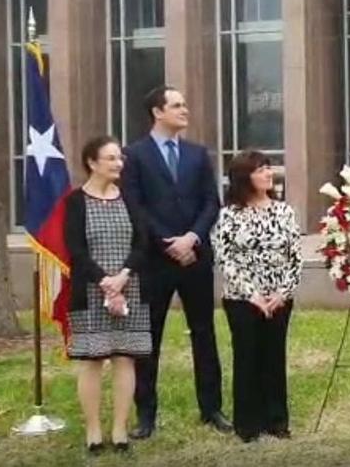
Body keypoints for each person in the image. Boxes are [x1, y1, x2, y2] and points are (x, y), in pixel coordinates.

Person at [122, 85, 230, 439]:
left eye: (185, 104)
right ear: (157, 111)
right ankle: (147, 415)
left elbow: (210, 203)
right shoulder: (134, 155)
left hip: (195, 256)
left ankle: (211, 408)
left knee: (204, 332)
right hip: (155, 260)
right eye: (177, 105)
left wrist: (191, 238)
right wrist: (166, 242)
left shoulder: (198, 154)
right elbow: (134, 206)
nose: (185, 110)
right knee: (149, 337)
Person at [64, 136, 151, 453]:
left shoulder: (129, 198)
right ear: (92, 162)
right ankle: (93, 430)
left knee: (124, 358)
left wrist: (123, 276)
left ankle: (119, 430)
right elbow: (76, 250)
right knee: (93, 359)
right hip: (90, 291)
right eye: (111, 158)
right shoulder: (75, 202)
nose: (119, 164)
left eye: (120, 158)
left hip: (131, 287)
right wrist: (105, 282)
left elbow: (142, 243)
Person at [211, 150, 302, 443]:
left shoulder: (284, 211)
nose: (268, 173)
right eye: (260, 169)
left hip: (279, 298)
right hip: (242, 299)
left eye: (268, 168)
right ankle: (248, 424)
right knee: (247, 356)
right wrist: (253, 295)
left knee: (274, 356)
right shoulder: (229, 215)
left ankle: (277, 420)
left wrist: (282, 292)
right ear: (243, 177)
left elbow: (295, 256)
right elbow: (225, 258)